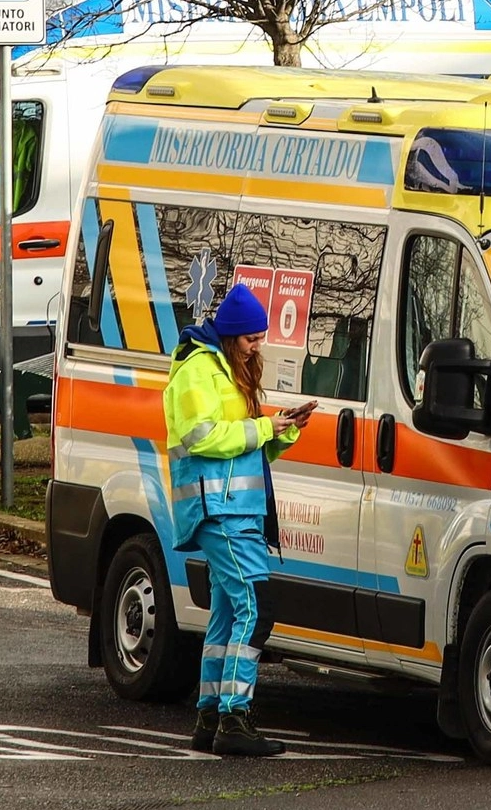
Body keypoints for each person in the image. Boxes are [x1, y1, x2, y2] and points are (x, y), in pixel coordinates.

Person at [163, 282, 316, 757]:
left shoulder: (229, 371)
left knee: (229, 614)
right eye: (251, 338)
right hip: (219, 510)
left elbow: (248, 447)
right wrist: (267, 426)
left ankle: (211, 717)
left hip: (236, 508)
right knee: (257, 607)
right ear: (230, 336)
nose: (258, 345)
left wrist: (283, 430)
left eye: (260, 337)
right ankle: (234, 716)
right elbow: (203, 437)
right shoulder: (197, 371)